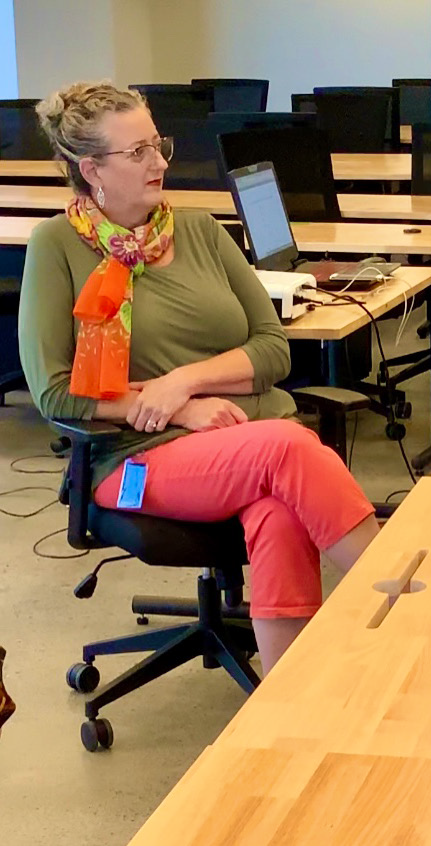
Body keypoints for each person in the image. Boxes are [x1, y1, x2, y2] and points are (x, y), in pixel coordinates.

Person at [18, 81, 378, 671]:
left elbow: (273, 349)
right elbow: (55, 391)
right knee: (287, 452)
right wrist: (177, 411)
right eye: (137, 152)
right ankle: (414, 604)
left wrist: (182, 382)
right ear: (92, 169)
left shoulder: (201, 229)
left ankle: (292, 700)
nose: (160, 162)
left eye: (158, 144)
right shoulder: (56, 246)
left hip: (246, 437)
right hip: (138, 452)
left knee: (278, 511)